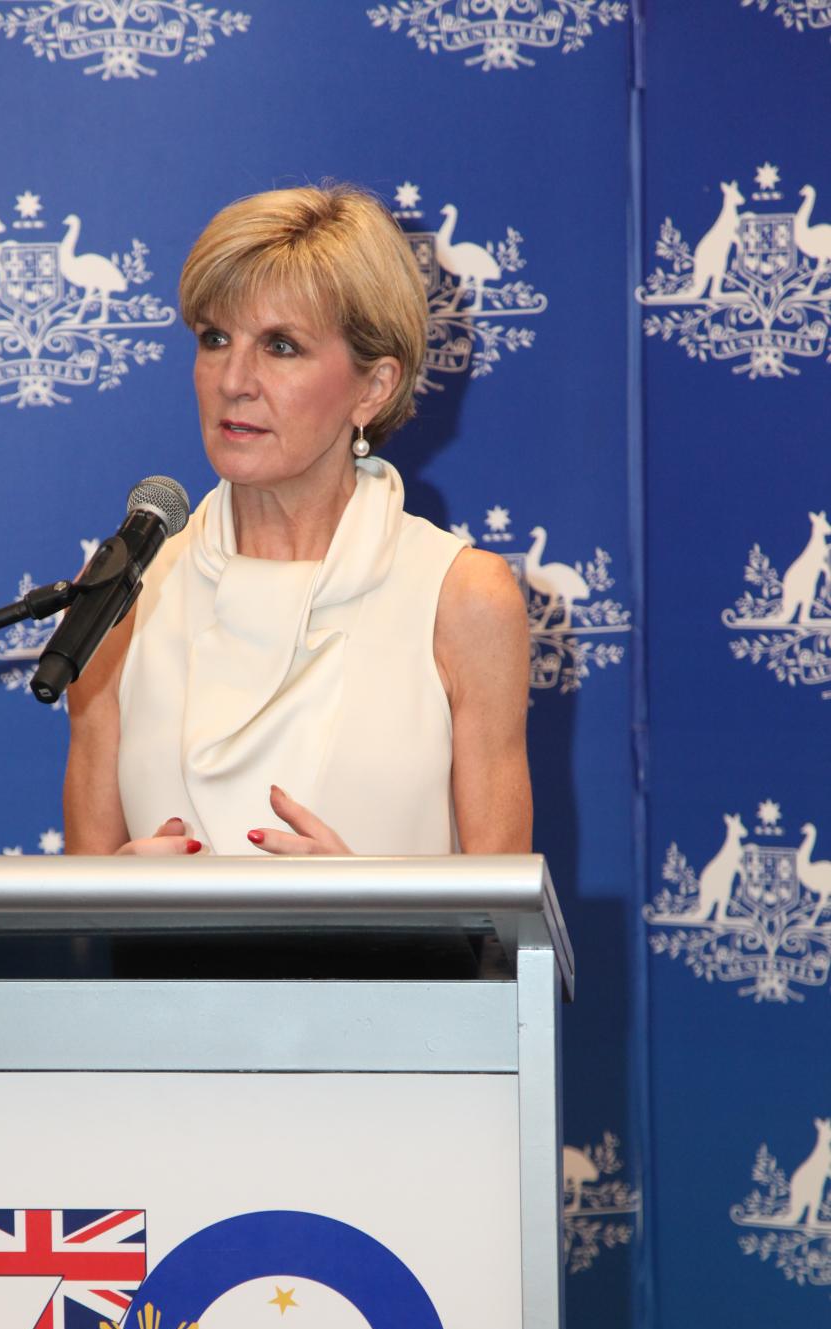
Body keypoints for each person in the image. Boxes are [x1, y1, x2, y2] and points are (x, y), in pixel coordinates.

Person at [64, 184, 531, 858]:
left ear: (374, 387)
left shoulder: (462, 599)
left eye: (281, 347)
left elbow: (511, 944)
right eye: (216, 339)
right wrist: (112, 899)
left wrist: (369, 919)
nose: (234, 379)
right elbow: (74, 923)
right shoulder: (121, 594)